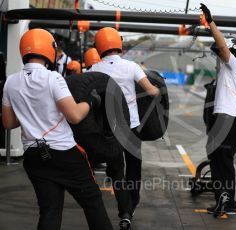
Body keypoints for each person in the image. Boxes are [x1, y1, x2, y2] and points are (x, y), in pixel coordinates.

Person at [2, 29, 113, 230]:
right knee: (92, 201)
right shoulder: (53, 78)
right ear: (49, 49)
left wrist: (30, 115)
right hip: (64, 154)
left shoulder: (11, 82)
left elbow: (8, 123)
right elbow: (75, 116)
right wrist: (90, 101)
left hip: (34, 157)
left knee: (50, 210)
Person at [88, 27, 159, 229]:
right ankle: (132, 203)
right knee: (133, 167)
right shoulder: (131, 66)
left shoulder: (94, 69)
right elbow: (152, 91)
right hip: (132, 126)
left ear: (99, 46)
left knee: (115, 168)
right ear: (118, 44)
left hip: (108, 128)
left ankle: (120, 205)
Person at [200, 4, 236, 217]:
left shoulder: (234, 65)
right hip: (230, 120)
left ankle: (225, 201)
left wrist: (211, 23)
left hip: (227, 120)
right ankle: (226, 202)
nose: (217, 54)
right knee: (220, 161)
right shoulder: (229, 70)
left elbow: (222, 46)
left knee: (222, 162)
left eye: (220, 52)